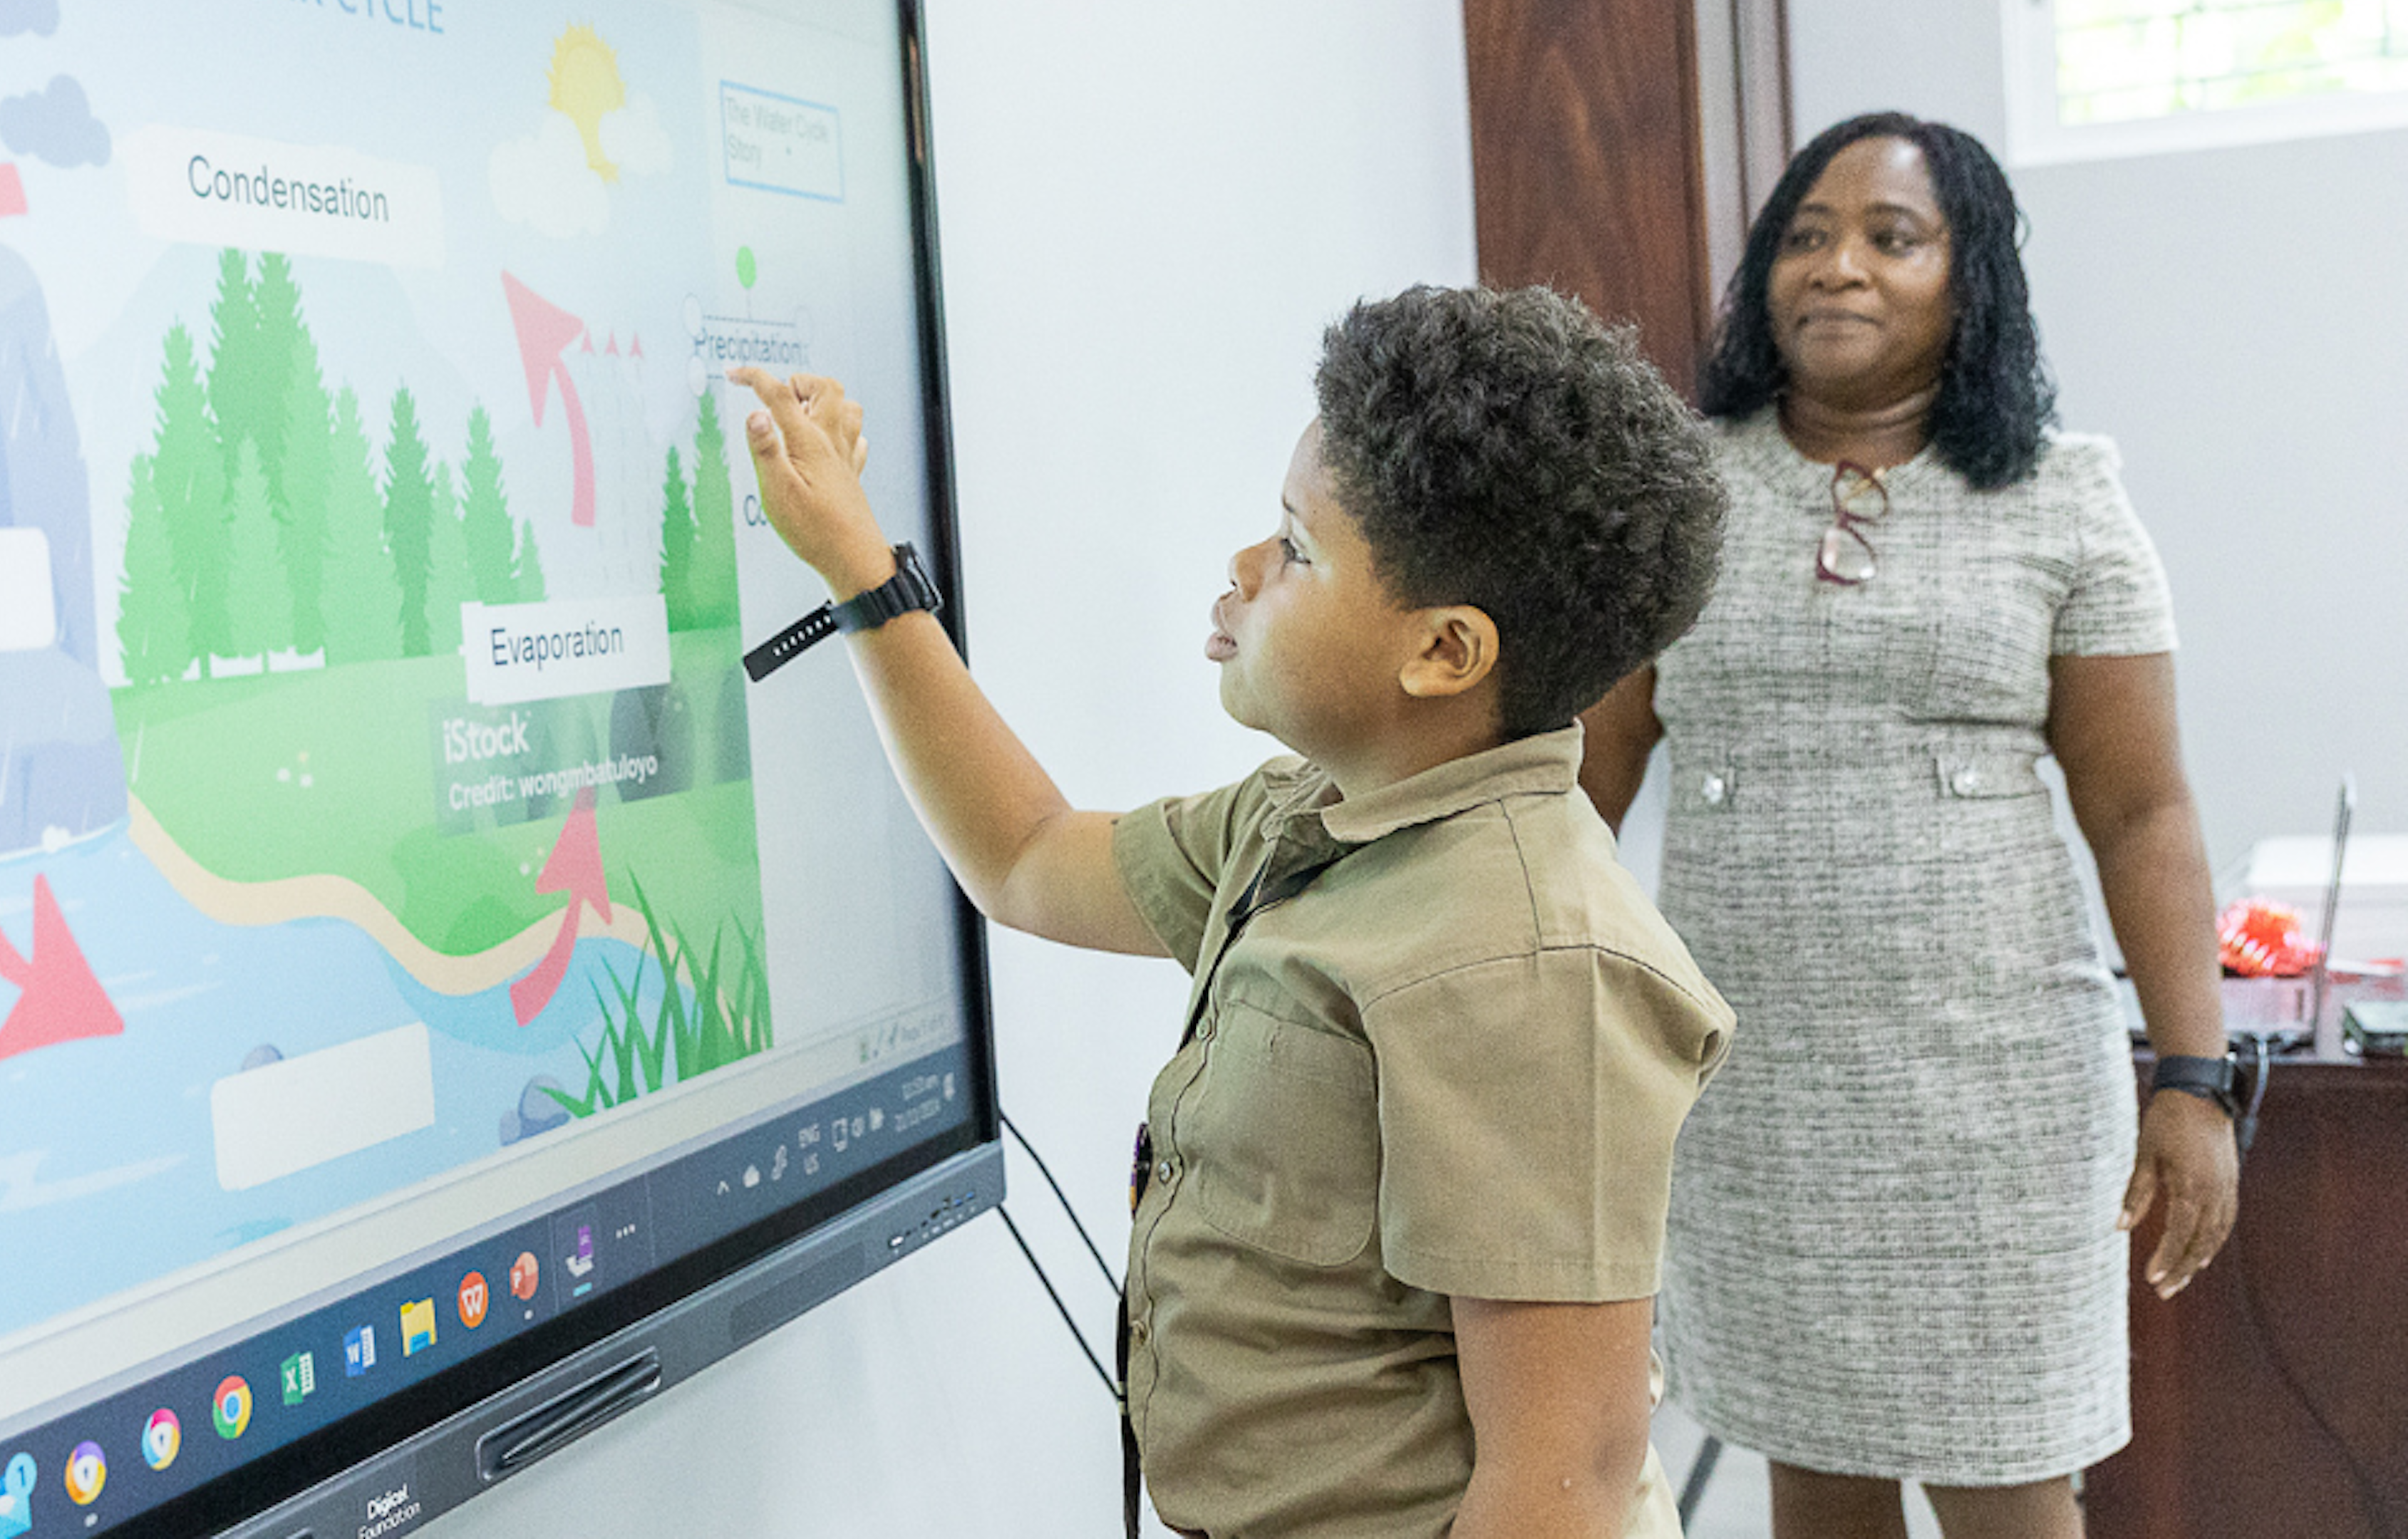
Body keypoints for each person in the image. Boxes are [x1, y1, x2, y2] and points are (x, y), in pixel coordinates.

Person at [730, 282, 1735, 1539]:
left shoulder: (1532, 963)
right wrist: (861, 570)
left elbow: (1561, 1480)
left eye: (1296, 549)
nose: (1245, 568)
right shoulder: (1313, 817)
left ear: (1444, 653)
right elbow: (1028, 858)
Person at [1577, 113, 2240, 1539]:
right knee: (1815, 1474)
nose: (1840, 267)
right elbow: (1582, 787)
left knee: (2011, 1474)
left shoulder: (2062, 496)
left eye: (1893, 238)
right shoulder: (1676, 493)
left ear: (1969, 279)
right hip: (1754, 1089)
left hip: (1998, 1095)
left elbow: (2142, 810)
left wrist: (2195, 1076)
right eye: (1807, 236)